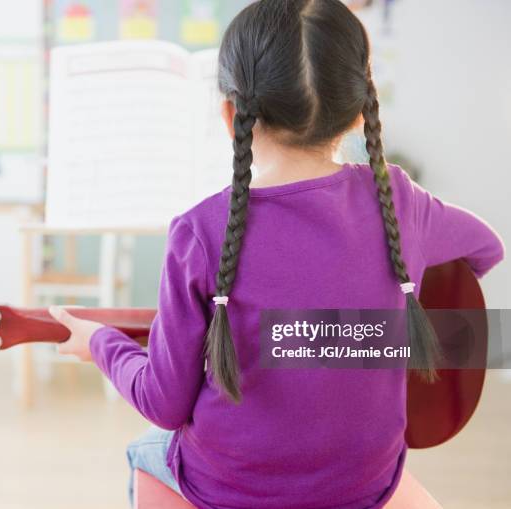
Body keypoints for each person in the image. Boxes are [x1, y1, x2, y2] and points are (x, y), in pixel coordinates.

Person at [50, 1, 505, 507]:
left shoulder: (200, 231)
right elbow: (485, 249)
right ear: (358, 114)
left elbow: (164, 403)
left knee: (146, 449)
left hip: (230, 489)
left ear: (231, 114)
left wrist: (99, 343)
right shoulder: (397, 199)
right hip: (366, 485)